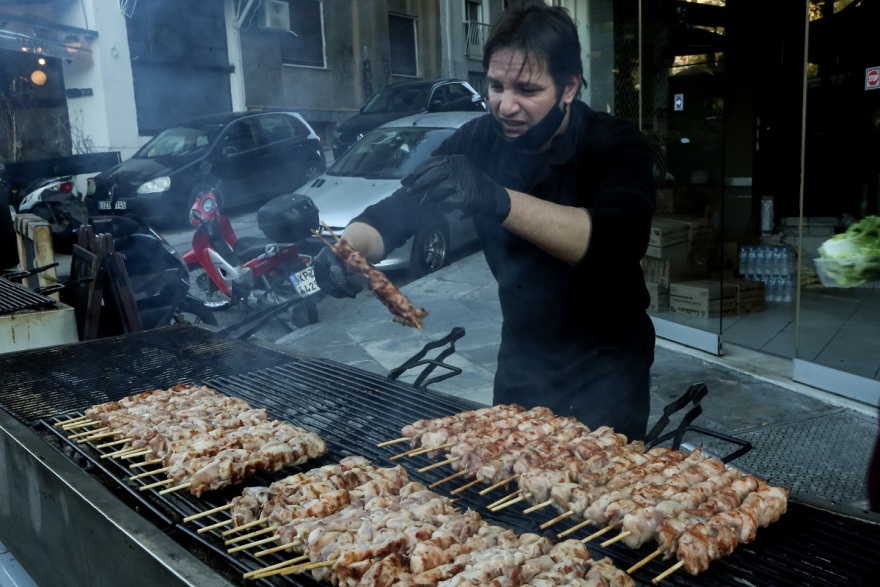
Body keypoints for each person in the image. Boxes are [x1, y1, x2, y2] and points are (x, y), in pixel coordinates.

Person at [314, 2, 656, 440]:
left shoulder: (615, 143)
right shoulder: (478, 140)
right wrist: (348, 251)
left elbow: (620, 239)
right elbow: (398, 211)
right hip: (523, 356)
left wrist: (498, 199)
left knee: (599, 494)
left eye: (527, 90)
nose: (505, 106)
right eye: (495, 86)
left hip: (608, 362)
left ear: (569, 87)